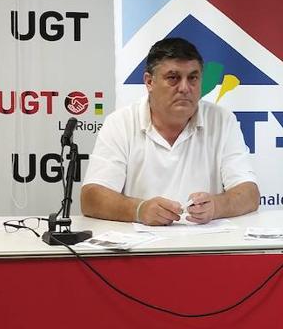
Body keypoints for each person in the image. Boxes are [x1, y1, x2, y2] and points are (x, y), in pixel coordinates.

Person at [81, 37, 260, 225]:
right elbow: (91, 197)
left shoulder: (222, 120)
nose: (184, 88)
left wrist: (217, 206)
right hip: (140, 249)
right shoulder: (120, 123)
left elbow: (249, 193)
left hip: (207, 246)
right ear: (149, 82)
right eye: (173, 78)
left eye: (193, 78)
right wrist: (139, 210)